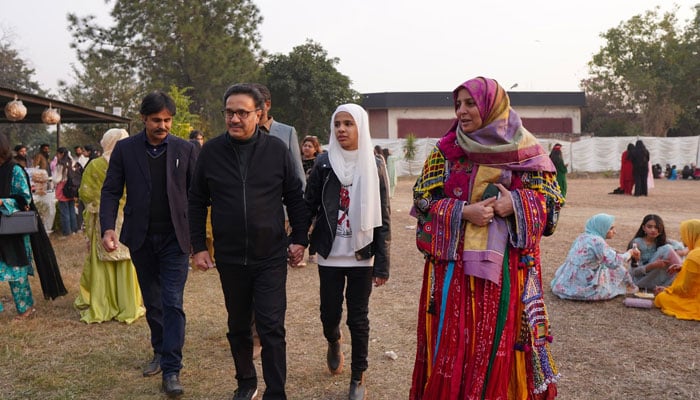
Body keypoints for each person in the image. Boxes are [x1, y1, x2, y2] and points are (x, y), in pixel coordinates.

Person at [409, 77, 562, 399]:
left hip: (508, 273)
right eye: (458, 104)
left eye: (470, 103)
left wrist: (515, 205)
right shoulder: (446, 151)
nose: (462, 111)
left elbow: (551, 211)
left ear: (492, 106)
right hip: (453, 273)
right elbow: (422, 202)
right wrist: (463, 212)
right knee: (454, 341)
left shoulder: (528, 151)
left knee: (499, 342)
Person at [189, 83, 309, 400]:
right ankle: (246, 382)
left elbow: (295, 197)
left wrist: (299, 238)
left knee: (271, 327)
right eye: (230, 112)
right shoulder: (211, 153)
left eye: (242, 112)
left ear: (259, 114)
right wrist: (198, 245)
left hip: (270, 254)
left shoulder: (276, 151)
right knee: (239, 326)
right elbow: (197, 201)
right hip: (230, 258)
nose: (235, 119)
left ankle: (276, 391)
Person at [100, 91, 196, 398]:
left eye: (168, 120)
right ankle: (160, 349)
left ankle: (172, 369)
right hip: (140, 238)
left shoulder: (186, 148)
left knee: (172, 300)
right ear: (144, 118)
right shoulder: (126, 150)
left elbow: (198, 194)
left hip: (175, 239)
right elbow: (110, 191)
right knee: (153, 301)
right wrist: (107, 228)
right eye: (157, 120)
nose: (163, 125)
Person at [305, 104, 391, 400]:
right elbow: (308, 205)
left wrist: (382, 264)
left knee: (359, 318)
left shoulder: (375, 163)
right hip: (330, 253)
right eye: (338, 123)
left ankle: (358, 376)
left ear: (361, 128)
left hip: (361, 255)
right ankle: (333, 340)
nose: (342, 129)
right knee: (329, 314)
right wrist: (298, 241)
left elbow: (384, 216)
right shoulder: (324, 163)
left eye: (348, 124)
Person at [74, 128, 145, 324]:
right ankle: (128, 304)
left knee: (103, 263)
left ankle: (103, 304)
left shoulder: (95, 165)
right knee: (127, 262)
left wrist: (97, 204)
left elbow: (85, 193)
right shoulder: (133, 162)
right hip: (129, 217)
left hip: (104, 220)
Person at [551, 213, 639, 301]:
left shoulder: (584, 236)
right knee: (618, 269)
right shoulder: (598, 241)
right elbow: (614, 262)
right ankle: (628, 286)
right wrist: (630, 253)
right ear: (602, 227)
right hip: (584, 282)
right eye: (611, 228)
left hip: (567, 280)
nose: (614, 232)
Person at [0, 133, 36, 320]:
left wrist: (2, 202)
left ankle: (26, 308)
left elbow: (25, 199)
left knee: (16, 269)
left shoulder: (14, 170)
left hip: (10, 228)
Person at [654, 219, 700, 321]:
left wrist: (667, 290)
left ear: (692, 235)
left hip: (696, 302)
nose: (682, 239)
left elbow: (687, 291)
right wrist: (684, 269)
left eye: (684, 235)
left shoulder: (695, 255)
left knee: (662, 298)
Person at [628, 214, 687, 291]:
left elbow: (684, 247)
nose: (653, 230)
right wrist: (653, 265)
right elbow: (634, 272)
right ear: (643, 228)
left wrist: (682, 252)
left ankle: (682, 277)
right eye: (649, 227)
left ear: (661, 229)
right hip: (641, 280)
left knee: (670, 250)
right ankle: (684, 276)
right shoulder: (637, 243)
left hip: (656, 279)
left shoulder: (661, 241)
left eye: (656, 227)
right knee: (667, 248)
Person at [301, 135, 323, 264]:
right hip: (300, 197)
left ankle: (312, 252)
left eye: (310, 146)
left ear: (315, 148)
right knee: (301, 225)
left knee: (315, 226)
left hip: (315, 198)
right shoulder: (296, 161)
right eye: (305, 145)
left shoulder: (319, 163)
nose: (307, 148)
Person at [54, 147, 79, 237]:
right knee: (71, 209)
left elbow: (57, 179)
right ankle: (74, 229)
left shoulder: (60, 165)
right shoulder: (72, 162)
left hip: (63, 188)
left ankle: (67, 232)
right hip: (71, 188)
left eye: (58, 154)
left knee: (64, 211)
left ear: (61, 154)